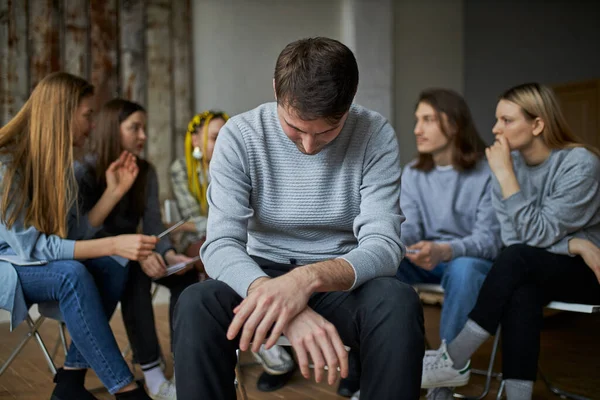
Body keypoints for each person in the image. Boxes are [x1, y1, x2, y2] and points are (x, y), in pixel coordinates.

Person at [173, 37, 425, 400]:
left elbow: (384, 246)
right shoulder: (239, 136)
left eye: (325, 131)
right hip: (261, 275)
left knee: (398, 303)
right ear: (277, 90)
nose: (309, 146)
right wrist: (280, 301)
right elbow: (221, 244)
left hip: (339, 277)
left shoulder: (374, 133)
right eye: (296, 127)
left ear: (350, 103)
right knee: (196, 305)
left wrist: (304, 282)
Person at [422, 83, 600, 400]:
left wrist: (506, 177)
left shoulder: (579, 164)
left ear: (537, 124)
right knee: (521, 287)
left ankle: (454, 358)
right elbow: (512, 237)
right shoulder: (507, 166)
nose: (495, 129)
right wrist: (574, 243)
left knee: (517, 261)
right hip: (538, 265)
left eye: (506, 120)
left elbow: (536, 234)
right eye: (496, 120)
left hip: (586, 272)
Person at [0, 71, 157, 400]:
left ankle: (71, 382)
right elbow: (32, 248)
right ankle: (128, 391)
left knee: (115, 262)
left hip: (36, 262)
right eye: (88, 115)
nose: (93, 125)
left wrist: (112, 194)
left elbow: (72, 238)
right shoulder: (6, 164)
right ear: (63, 113)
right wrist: (114, 241)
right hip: (8, 263)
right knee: (72, 274)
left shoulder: (59, 167)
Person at [73, 99, 198, 400]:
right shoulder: (83, 172)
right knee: (132, 273)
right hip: (101, 260)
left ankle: (185, 368)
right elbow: (82, 233)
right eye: (135, 128)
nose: (143, 136)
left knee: (185, 277)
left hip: (140, 252)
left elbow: (154, 223)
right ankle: (153, 375)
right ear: (111, 130)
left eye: (144, 128)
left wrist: (169, 255)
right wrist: (140, 255)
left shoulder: (146, 171)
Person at [169, 110, 296, 391]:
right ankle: (262, 341)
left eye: (223, 134)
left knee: (237, 255)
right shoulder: (182, 169)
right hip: (200, 242)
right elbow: (195, 217)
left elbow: (245, 219)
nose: (222, 141)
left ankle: (258, 336)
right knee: (208, 258)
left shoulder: (243, 159)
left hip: (237, 239)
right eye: (214, 137)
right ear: (195, 141)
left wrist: (224, 221)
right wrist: (219, 221)